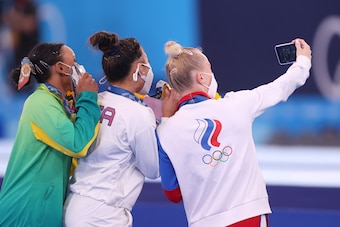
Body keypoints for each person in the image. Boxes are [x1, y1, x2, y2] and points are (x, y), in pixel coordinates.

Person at [157, 38, 312, 227]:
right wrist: (303, 62)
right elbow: (280, 88)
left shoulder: (165, 131)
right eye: (210, 69)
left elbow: (173, 194)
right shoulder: (236, 104)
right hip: (248, 215)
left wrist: (166, 120)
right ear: (201, 78)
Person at [63, 31, 160, 227]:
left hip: (75, 206)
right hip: (102, 215)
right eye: (147, 61)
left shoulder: (94, 102)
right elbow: (153, 169)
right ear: (140, 69)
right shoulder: (139, 114)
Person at [0, 42, 101, 227]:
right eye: (75, 63)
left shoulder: (58, 104)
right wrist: (88, 99)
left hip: (40, 210)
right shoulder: (40, 102)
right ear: (61, 68)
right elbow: (77, 144)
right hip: (24, 211)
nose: (80, 69)